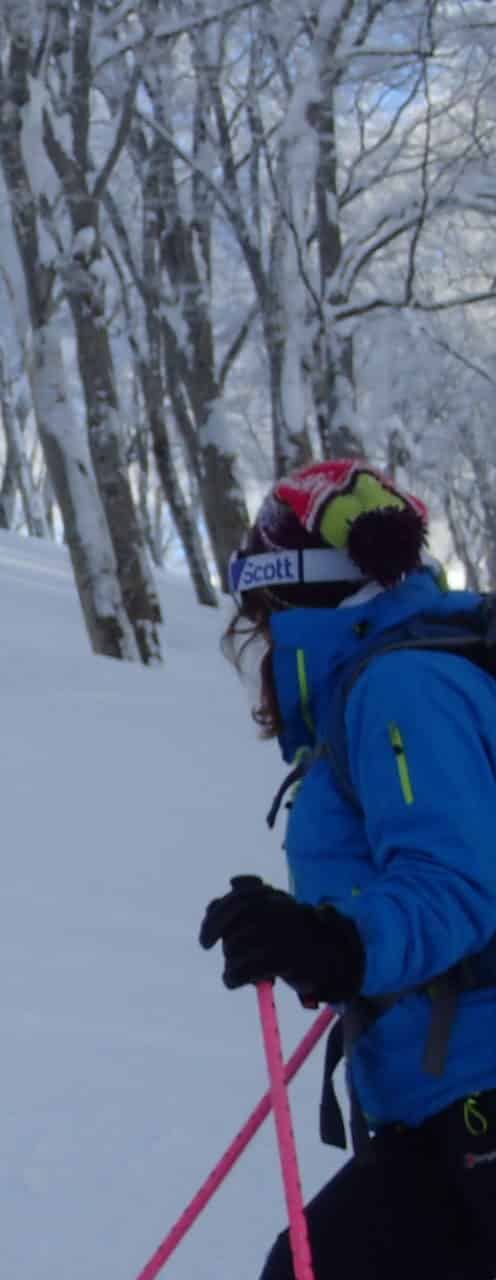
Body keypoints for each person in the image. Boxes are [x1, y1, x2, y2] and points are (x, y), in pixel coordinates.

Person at [199, 459, 496, 1279]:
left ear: (297, 594)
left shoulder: (404, 686)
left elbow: (455, 885)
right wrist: (316, 942)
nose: (257, 636)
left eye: (261, 608)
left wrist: (332, 942)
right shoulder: (400, 672)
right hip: (445, 1097)